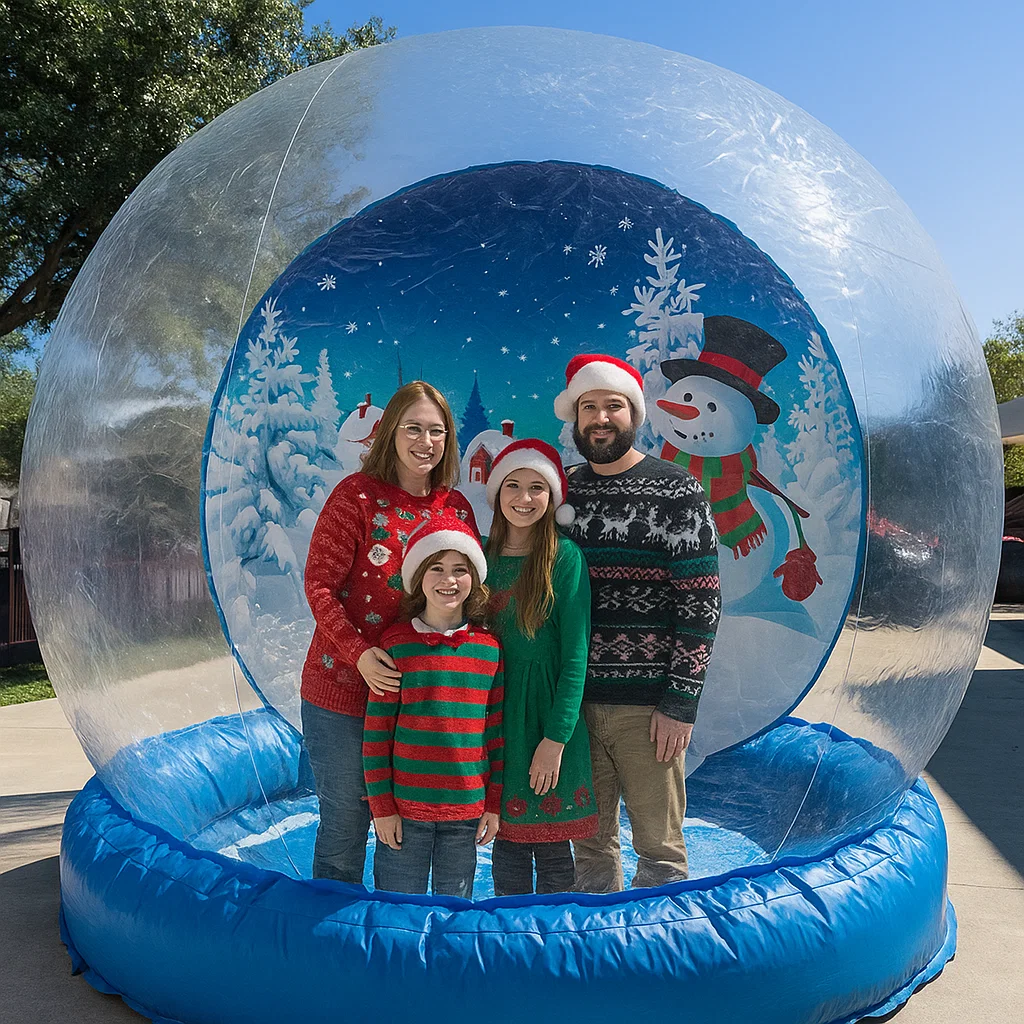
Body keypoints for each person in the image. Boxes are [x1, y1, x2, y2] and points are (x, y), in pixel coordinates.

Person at [553, 354, 722, 891]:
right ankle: (601, 963)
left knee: (661, 851)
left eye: (613, 406)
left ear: (635, 414)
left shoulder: (677, 491)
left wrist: (679, 703)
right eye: (589, 408)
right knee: (590, 848)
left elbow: (701, 604)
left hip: (648, 712)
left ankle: (662, 964)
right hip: (574, 707)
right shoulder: (562, 493)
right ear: (576, 419)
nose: (601, 418)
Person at [300, 381, 477, 884]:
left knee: (410, 827)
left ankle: (398, 942)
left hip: (420, 704)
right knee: (348, 819)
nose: (425, 442)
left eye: (436, 431)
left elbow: (465, 594)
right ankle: (335, 948)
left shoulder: (456, 508)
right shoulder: (356, 497)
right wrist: (359, 654)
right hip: (344, 691)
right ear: (390, 433)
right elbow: (319, 586)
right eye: (413, 428)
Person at [363, 513, 503, 898]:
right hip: (405, 812)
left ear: (473, 579)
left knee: (453, 917)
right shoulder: (395, 645)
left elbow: (496, 736)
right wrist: (382, 807)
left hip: (465, 813)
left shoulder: (488, 651)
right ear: (418, 578)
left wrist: (492, 803)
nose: (449, 580)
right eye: (436, 569)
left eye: (460, 569)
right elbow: (377, 737)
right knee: (395, 911)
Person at [482, 439, 597, 896]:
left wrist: (555, 740)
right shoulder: (481, 560)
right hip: (495, 716)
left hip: (546, 716)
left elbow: (575, 657)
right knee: (504, 842)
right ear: (496, 494)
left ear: (552, 499)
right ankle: (511, 947)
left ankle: (553, 947)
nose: (524, 498)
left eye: (536, 488)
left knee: (552, 851)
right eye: (513, 485)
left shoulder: (564, 559)